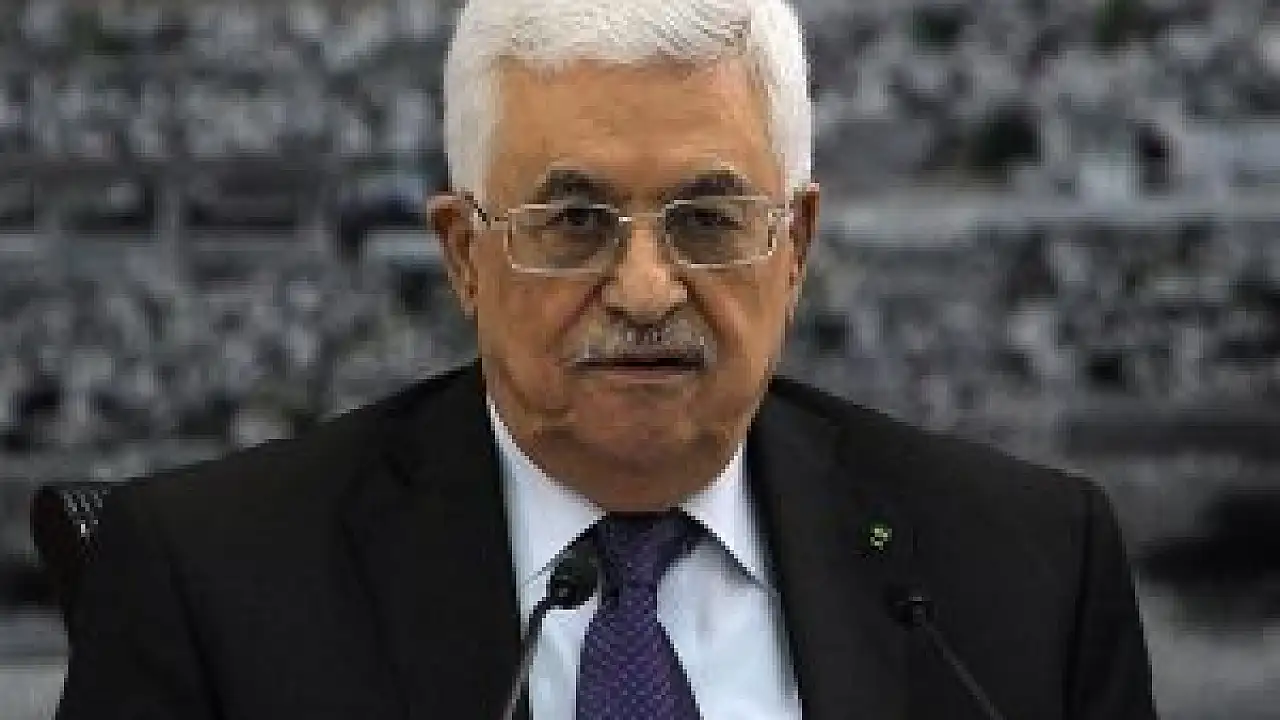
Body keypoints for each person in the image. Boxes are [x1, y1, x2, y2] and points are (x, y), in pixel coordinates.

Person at [54, 1, 1159, 718]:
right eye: (574, 224)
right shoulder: (211, 587)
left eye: (708, 221)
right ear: (464, 255)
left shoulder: (1022, 578)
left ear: (796, 250)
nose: (643, 291)